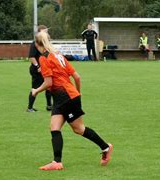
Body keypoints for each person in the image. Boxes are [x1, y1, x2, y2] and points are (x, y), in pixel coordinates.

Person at [31, 31, 113, 170]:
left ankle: (105, 147)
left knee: (79, 129)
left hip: (65, 97)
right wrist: (77, 94)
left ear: (37, 45)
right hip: (65, 97)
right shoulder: (58, 56)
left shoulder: (44, 59)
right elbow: (77, 77)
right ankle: (57, 162)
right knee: (54, 127)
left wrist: (36, 90)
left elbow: (48, 82)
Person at [27, 25, 52, 112]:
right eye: (44, 31)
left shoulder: (46, 43)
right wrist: (38, 66)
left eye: (46, 31)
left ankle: (49, 106)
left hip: (45, 68)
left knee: (49, 86)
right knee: (35, 88)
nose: (46, 33)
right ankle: (29, 108)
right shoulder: (35, 43)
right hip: (37, 70)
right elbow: (31, 57)